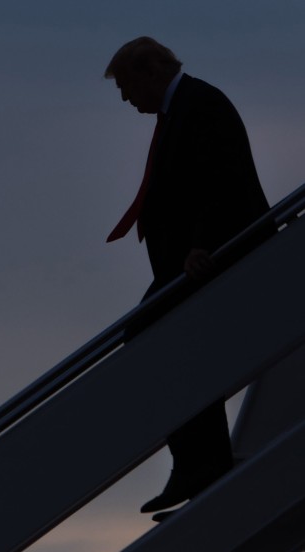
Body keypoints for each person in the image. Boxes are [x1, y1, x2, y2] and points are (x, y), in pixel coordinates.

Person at [103, 37, 269, 516]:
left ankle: (198, 463)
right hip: (198, 260)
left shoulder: (199, 104)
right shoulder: (187, 107)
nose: (126, 99)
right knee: (173, 351)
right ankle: (199, 463)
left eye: (127, 86)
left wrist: (204, 243)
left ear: (152, 70)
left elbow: (223, 177)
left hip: (211, 258)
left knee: (149, 338)